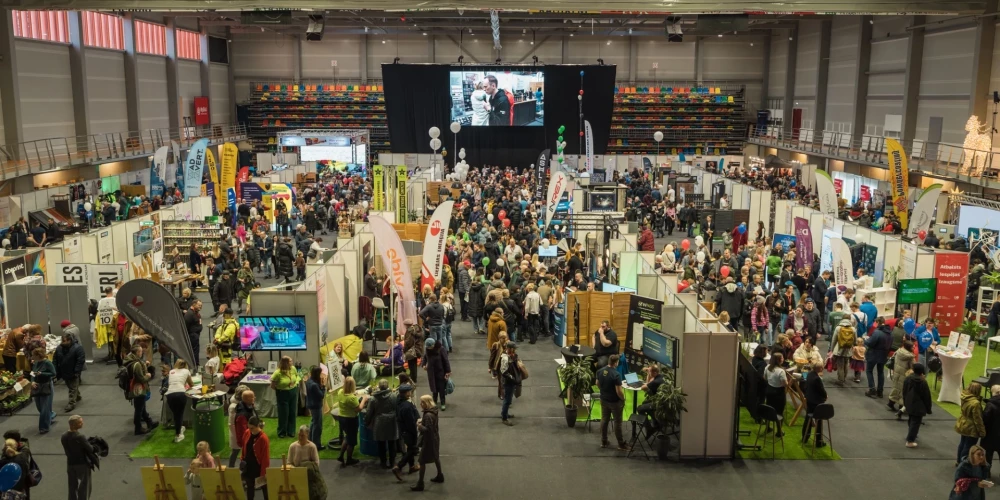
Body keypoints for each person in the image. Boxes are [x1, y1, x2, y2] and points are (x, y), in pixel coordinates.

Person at [411, 394, 443, 491]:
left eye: (422, 402)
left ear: (426, 403)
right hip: (435, 438)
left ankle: (420, 483)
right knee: (436, 457)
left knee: (422, 461)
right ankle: (440, 475)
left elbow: (427, 430)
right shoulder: (433, 411)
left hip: (429, 441)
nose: (420, 404)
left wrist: (419, 425)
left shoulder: (428, 415)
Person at [62, 415, 99, 500]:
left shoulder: (63, 436)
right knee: (84, 485)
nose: (82, 423)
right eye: (80, 422)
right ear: (74, 425)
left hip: (70, 463)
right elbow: (90, 449)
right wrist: (96, 447)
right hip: (82, 464)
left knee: (72, 485)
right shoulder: (80, 436)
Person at [366, 378, 400, 469]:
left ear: (379, 387)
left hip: (379, 422)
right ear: (388, 386)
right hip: (392, 421)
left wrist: (367, 421)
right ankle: (393, 462)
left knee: (381, 444)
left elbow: (369, 412)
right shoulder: (394, 396)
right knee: (392, 443)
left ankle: (383, 462)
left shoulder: (373, 398)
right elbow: (397, 409)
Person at [596, 354, 628, 451]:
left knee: (604, 420)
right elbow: (619, 391)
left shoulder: (600, 371)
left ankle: (604, 441)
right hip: (615, 402)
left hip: (604, 399)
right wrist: (623, 399)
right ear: (616, 363)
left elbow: (597, 384)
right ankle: (621, 444)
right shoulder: (616, 374)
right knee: (617, 423)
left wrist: (604, 391)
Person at [336, 376, 367, 467]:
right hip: (350, 420)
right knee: (352, 441)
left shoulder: (340, 392)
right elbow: (359, 409)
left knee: (347, 437)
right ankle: (349, 459)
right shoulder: (351, 398)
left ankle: (341, 455)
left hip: (342, 418)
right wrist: (364, 399)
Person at [393, 384, 421, 480]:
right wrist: (415, 432)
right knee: (412, 449)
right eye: (409, 391)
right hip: (409, 431)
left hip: (402, 429)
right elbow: (410, 423)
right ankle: (399, 466)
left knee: (410, 448)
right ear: (406, 393)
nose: (411, 392)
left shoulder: (399, 400)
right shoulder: (407, 407)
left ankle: (412, 466)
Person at [956, 382, 987, 465]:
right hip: (971, 427)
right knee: (968, 447)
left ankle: (959, 461)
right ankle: (963, 464)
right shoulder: (975, 403)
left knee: (962, 444)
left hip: (963, 423)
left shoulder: (964, 397)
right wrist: (982, 432)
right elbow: (978, 419)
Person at [53, 332, 85, 413]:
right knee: (71, 386)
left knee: (72, 388)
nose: (62, 343)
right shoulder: (59, 348)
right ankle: (77, 396)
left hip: (73, 372)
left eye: (64, 341)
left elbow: (80, 361)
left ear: (69, 340)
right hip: (64, 372)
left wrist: (77, 371)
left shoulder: (78, 348)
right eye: (62, 341)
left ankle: (71, 403)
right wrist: (56, 370)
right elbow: (55, 359)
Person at [270, 356, 301, 438]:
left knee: (292, 412)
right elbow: (272, 385)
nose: (292, 362)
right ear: (285, 363)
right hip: (282, 393)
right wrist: (281, 389)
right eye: (290, 361)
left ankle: (291, 431)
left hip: (293, 392)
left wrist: (296, 382)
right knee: (284, 413)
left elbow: (297, 376)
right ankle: (282, 432)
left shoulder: (293, 368)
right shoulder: (278, 372)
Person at [240, 416, 270, 500]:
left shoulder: (264, 438)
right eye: (249, 427)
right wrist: (242, 459)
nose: (250, 430)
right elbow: (244, 447)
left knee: (264, 488)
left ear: (258, 426)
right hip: (249, 467)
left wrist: (263, 473)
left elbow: (265, 458)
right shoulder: (247, 432)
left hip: (258, 468)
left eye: (252, 428)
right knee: (250, 488)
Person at [799, 362, 828, 447]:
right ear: (819, 369)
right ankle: (819, 441)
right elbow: (821, 390)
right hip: (816, 403)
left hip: (809, 400)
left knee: (807, 419)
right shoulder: (817, 378)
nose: (822, 369)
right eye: (822, 368)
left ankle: (805, 437)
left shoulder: (809, 374)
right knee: (819, 421)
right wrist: (825, 396)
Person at [903, 363, 932, 448]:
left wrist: (905, 402)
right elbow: (927, 396)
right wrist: (928, 408)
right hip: (919, 406)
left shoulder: (908, 379)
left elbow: (904, 391)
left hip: (909, 403)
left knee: (911, 420)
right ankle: (910, 440)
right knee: (915, 423)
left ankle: (910, 435)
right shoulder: (923, 382)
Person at [165, 359, 194, 443]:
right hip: (181, 393)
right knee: (179, 414)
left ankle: (179, 428)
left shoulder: (171, 371)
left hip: (170, 394)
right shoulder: (186, 371)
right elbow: (191, 384)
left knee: (175, 414)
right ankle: (178, 435)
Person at [30, 346, 56, 434]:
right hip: (37, 386)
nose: (32, 357)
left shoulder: (48, 363)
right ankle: (50, 416)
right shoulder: (35, 363)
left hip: (46, 385)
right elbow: (32, 374)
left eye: (33, 355)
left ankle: (43, 427)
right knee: (39, 407)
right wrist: (32, 382)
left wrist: (42, 373)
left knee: (45, 407)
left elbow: (53, 373)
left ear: (38, 355)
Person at [864, 317, 892, 398]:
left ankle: (872, 389)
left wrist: (865, 340)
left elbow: (870, 343)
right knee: (880, 372)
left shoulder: (877, 332)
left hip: (873, 354)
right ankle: (880, 391)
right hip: (884, 354)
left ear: (878, 322)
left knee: (869, 371)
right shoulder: (890, 332)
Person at [888, 340, 916, 414]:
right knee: (904, 391)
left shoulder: (899, 351)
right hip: (905, 375)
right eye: (913, 347)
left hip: (896, 372)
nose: (914, 347)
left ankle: (891, 402)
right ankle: (901, 406)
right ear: (909, 347)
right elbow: (913, 366)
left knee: (895, 387)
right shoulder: (910, 356)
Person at [228, 385, 253, 468]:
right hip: (237, 433)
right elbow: (233, 423)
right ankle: (231, 468)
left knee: (244, 452)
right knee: (235, 451)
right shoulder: (234, 407)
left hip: (243, 431)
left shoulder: (242, 404)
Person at [423, 337, 452, 410]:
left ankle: (442, 403)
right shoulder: (427, 349)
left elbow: (446, 361)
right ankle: (434, 402)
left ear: (433, 345)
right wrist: (423, 365)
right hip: (431, 373)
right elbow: (425, 357)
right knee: (434, 388)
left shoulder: (441, 349)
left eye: (430, 347)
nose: (429, 348)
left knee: (441, 389)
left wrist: (448, 371)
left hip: (440, 372)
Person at [499, 341, 522, 425]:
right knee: (507, 400)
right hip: (508, 382)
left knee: (509, 399)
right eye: (514, 349)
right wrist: (513, 378)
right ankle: (504, 418)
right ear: (510, 349)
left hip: (512, 381)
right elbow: (504, 371)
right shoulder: (505, 358)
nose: (515, 350)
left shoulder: (512, 356)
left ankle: (505, 413)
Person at [764, 352, 787, 438]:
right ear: (779, 360)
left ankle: (767, 427)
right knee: (779, 412)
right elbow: (785, 384)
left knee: (769, 409)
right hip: (779, 393)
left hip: (769, 390)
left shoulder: (767, 367)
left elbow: (765, 378)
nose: (783, 359)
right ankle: (779, 431)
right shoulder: (781, 371)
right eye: (782, 358)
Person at [304, 366, 326, 451]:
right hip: (316, 406)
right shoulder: (314, 385)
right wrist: (323, 387)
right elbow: (321, 395)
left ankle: (310, 441)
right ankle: (317, 445)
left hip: (311, 405)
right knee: (318, 426)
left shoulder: (309, 381)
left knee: (313, 423)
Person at [982, 385, 1000, 467]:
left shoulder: (990, 405)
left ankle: (987, 473)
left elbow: (984, 419)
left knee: (988, 456)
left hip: (990, 435)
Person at [184, 299, 204, 367]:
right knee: (194, 351)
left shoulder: (196, 312)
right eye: (199, 305)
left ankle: (196, 364)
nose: (200, 307)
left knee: (196, 350)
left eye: (201, 305)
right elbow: (186, 326)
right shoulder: (189, 314)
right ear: (194, 304)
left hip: (195, 335)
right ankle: (195, 365)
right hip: (192, 335)